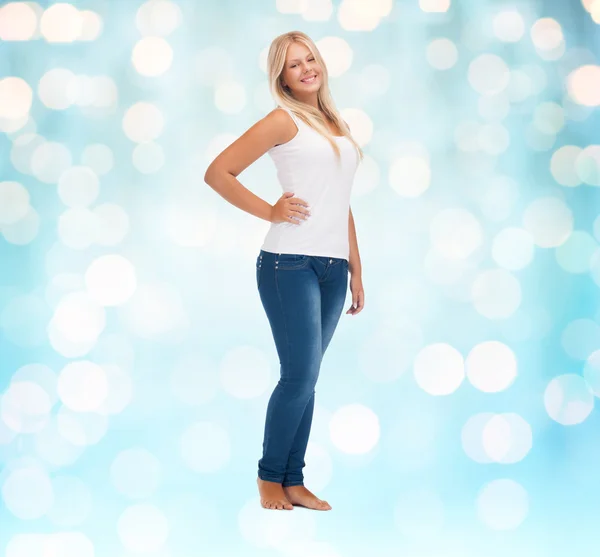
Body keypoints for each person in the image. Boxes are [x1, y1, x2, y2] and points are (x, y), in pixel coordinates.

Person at [204, 31, 365, 511]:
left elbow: (342, 204)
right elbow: (218, 172)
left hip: (333, 268)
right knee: (298, 375)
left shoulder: (335, 125)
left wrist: (357, 268)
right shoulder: (282, 120)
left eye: (310, 59)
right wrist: (270, 211)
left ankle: (293, 479)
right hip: (288, 264)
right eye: (294, 65)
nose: (306, 69)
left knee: (309, 376)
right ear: (282, 77)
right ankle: (270, 476)